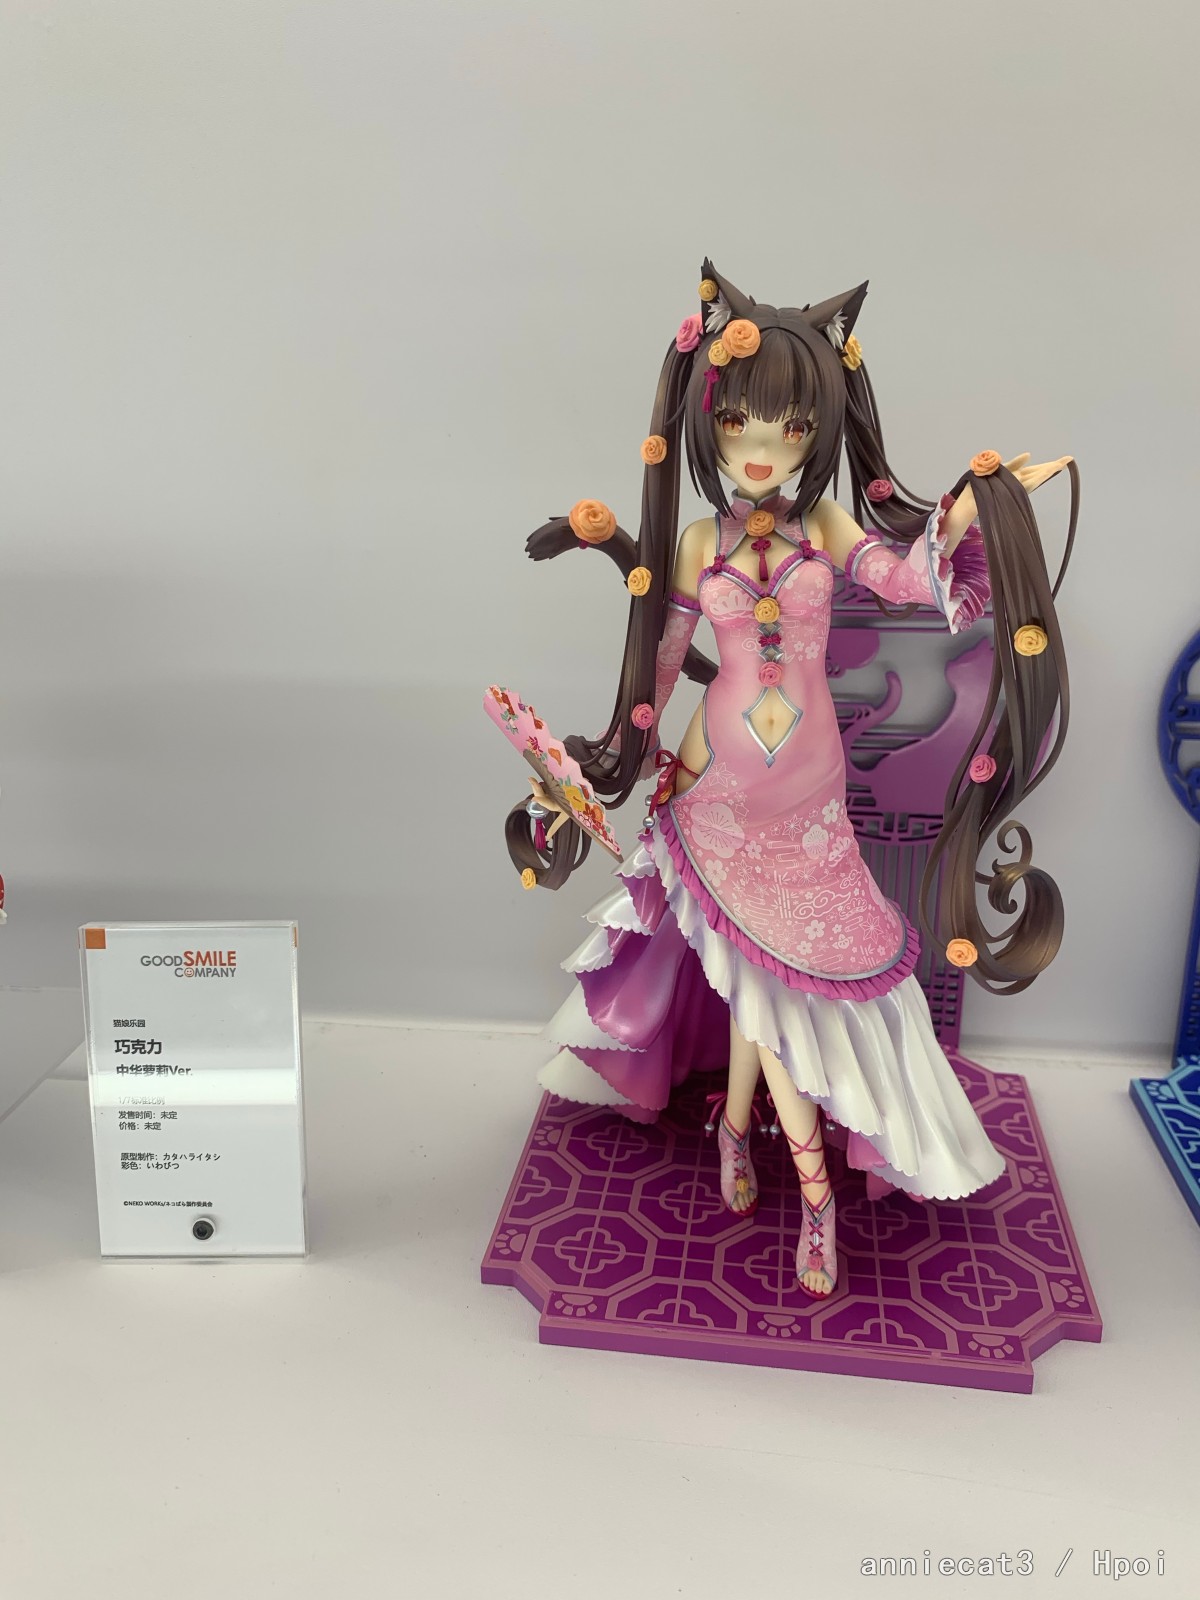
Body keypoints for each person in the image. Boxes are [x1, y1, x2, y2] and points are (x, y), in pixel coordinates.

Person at [504, 261, 1077, 1299]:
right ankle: (813, 1194)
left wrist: (967, 515)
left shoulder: (825, 529)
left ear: (817, 434)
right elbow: (664, 670)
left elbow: (906, 582)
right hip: (717, 793)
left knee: (769, 983)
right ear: (710, 426)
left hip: (809, 802)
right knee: (756, 986)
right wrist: (637, 761)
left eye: (790, 431)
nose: (762, 452)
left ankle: (736, 1129)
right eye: (739, 428)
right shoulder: (696, 542)